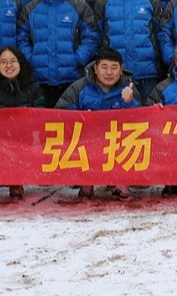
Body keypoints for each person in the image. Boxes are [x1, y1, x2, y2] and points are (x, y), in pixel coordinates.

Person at [56, 47, 141, 199]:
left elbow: (141, 120)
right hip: (88, 140)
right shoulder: (79, 87)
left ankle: (118, 180)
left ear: (121, 69)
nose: (109, 72)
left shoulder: (129, 88)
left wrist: (130, 102)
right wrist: (80, 117)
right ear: (95, 69)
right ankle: (87, 181)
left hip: (116, 141)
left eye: (114, 68)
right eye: (104, 67)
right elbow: (60, 112)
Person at [18, 0, 101, 106]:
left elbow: (91, 37)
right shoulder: (30, 9)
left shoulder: (78, 7)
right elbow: (21, 39)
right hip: (39, 79)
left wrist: (77, 59)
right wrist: (32, 59)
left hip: (72, 79)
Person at [0, 45, 44, 201]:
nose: (9, 65)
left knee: (21, 146)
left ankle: (16, 181)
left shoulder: (33, 88)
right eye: (4, 62)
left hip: (23, 138)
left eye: (13, 61)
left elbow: (41, 118)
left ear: (20, 63)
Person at [94, 0, 164, 101]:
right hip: (115, 76)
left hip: (147, 75)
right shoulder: (104, 0)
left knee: (148, 114)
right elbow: (97, 37)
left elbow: (160, 36)